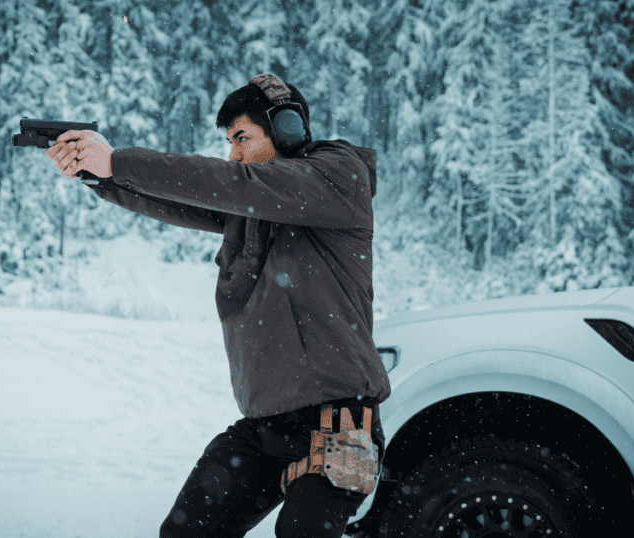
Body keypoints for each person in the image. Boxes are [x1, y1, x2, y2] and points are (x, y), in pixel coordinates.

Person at [45, 74, 391, 538]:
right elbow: (182, 198)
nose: (234, 153)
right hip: (265, 428)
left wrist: (119, 161)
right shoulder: (251, 202)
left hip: (343, 431)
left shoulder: (337, 176)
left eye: (242, 138)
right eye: (229, 142)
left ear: (287, 129)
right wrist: (99, 172)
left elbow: (230, 182)